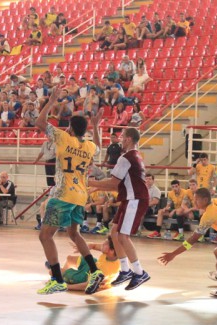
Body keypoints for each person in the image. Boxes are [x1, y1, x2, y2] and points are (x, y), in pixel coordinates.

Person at [34, 87, 104, 295]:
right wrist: (97, 126)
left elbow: (39, 122)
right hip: (80, 196)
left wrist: (51, 101)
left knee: (45, 236)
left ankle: (57, 279)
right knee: (74, 233)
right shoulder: (89, 146)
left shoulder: (64, 139)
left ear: (71, 129)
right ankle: (94, 269)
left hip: (63, 195)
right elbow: (99, 146)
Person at [87, 127, 150, 293]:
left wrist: (92, 183)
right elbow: (119, 183)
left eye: (122, 137)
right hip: (129, 198)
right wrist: (98, 187)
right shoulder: (135, 155)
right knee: (114, 231)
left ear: (128, 139)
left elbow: (113, 183)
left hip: (135, 199)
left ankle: (139, 272)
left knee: (122, 235)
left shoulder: (126, 157)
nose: (120, 140)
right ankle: (125, 269)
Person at [50, 237, 120, 292]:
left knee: (52, 271)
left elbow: (88, 285)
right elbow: (93, 245)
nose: (103, 243)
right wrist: (82, 247)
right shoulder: (111, 254)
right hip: (95, 265)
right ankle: (66, 276)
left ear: (112, 250)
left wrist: (67, 286)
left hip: (85, 277)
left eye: (106, 243)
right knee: (70, 258)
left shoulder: (107, 270)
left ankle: (65, 277)